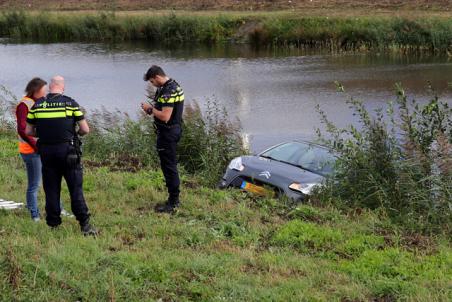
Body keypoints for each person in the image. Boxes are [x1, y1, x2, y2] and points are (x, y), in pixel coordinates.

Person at [25, 76, 97, 236]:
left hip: (47, 152)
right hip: (68, 152)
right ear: (63, 87)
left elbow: (28, 131)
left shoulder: (37, 105)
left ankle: (53, 224)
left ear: (50, 87)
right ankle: (85, 225)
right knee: (75, 188)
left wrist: (44, 133)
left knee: (51, 188)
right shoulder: (70, 103)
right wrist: (74, 134)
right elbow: (85, 129)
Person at [16, 78, 72, 221]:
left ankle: (58, 208)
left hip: (43, 149)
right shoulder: (24, 105)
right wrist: (37, 146)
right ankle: (34, 214)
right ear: (35, 90)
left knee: (52, 180)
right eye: (44, 89)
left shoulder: (40, 102)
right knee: (34, 184)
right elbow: (23, 130)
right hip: (31, 151)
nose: (46, 92)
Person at [141, 65, 184, 214]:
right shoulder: (173, 85)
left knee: (169, 166)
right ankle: (173, 198)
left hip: (168, 133)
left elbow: (165, 116)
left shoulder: (168, 91)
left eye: (152, 81)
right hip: (172, 130)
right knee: (169, 165)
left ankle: (173, 202)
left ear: (158, 77)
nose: (152, 85)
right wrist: (150, 110)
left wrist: (150, 109)